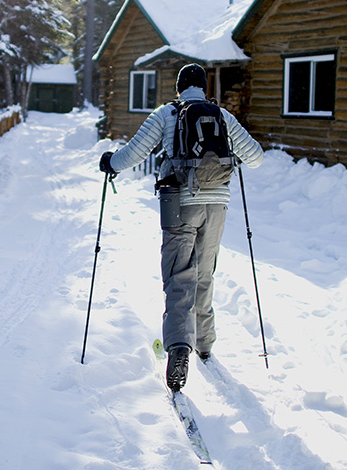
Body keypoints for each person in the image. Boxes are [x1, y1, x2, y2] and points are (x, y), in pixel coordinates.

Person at [99, 63, 263, 391]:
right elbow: (256, 157)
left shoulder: (167, 113)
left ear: (179, 88)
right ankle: (205, 342)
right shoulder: (222, 116)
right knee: (204, 272)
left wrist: (109, 162)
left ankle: (178, 346)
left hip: (179, 202)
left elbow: (135, 152)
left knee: (179, 274)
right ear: (203, 88)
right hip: (217, 204)